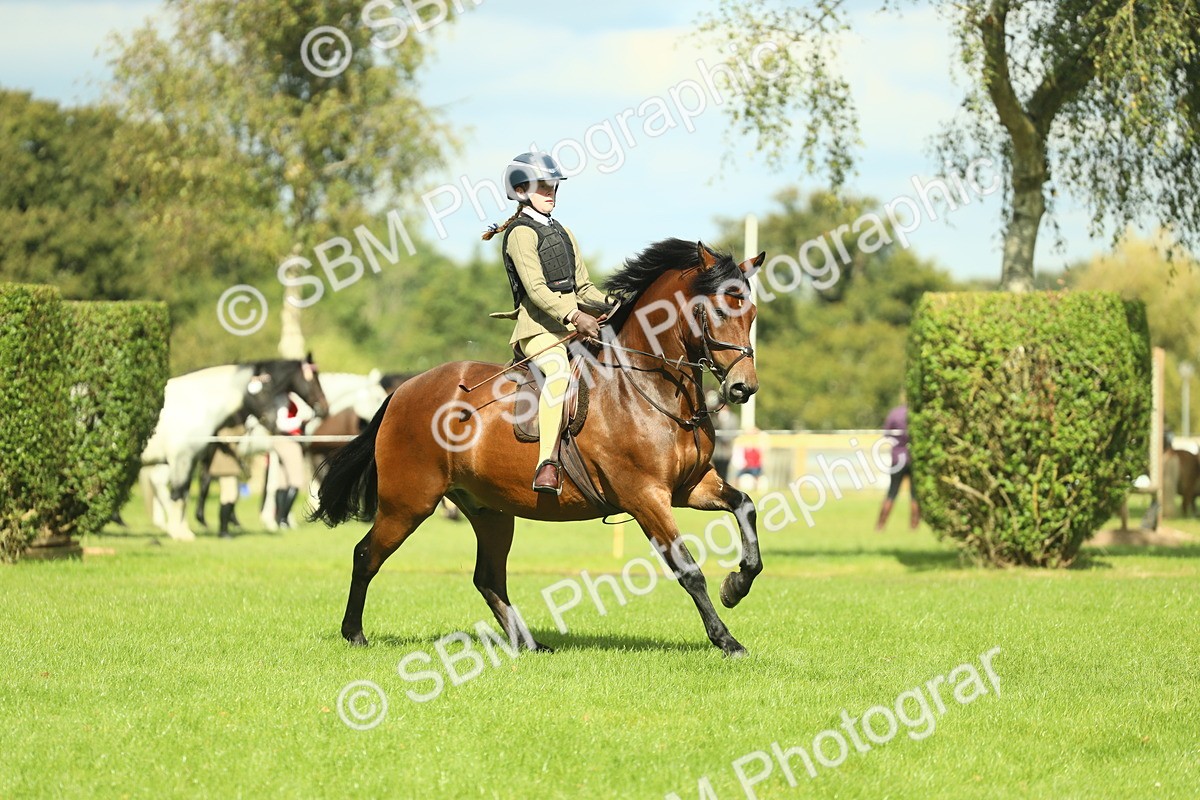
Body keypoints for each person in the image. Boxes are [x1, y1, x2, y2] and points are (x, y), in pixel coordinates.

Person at [483, 152, 610, 494]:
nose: (550, 191)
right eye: (542, 186)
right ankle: (546, 465)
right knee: (558, 374)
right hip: (538, 332)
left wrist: (612, 303)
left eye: (553, 185)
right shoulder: (520, 235)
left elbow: (583, 286)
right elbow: (536, 290)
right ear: (522, 190)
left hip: (574, 328)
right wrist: (573, 315)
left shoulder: (564, 231)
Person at [877, 402, 919, 531]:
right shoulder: (917, 414)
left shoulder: (894, 413)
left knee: (892, 493)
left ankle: (880, 526)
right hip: (913, 459)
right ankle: (914, 528)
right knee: (915, 495)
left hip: (897, 459)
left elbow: (886, 434)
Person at [270, 394, 308, 529]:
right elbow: (281, 423)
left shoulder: (285, 398)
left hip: (282, 440)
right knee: (296, 481)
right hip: (288, 439)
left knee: (283, 481)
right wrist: (301, 420)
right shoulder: (282, 399)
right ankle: (283, 518)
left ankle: (279, 518)